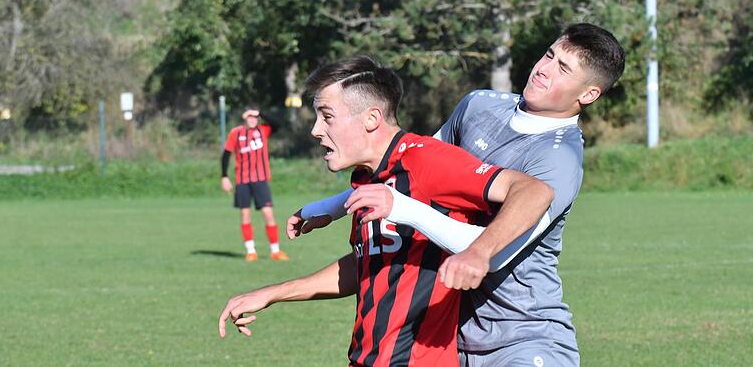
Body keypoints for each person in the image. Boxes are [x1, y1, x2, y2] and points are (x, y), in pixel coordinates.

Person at [289, 23, 626, 366]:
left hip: (523, 337)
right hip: (451, 339)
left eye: (563, 69)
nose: (543, 69)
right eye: (549, 55)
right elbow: (409, 166)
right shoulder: (479, 105)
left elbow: (493, 254)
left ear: (588, 95)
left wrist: (410, 213)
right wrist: (333, 207)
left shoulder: (558, 159)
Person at [218, 56, 554, 366]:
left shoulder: (425, 159)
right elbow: (368, 265)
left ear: (372, 118)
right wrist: (273, 293)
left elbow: (534, 191)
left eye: (327, 116)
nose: (316, 129)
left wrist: (480, 252)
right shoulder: (369, 178)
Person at [221, 105, 288, 262]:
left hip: (260, 180)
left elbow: (278, 124)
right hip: (242, 181)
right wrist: (224, 176)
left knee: (268, 213)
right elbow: (226, 155)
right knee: (245, 214)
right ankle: (251, 251)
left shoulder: (263, 130)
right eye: (249, 116)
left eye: (255, 117)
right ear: (244, 117)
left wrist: (261, 112)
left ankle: (275, 251)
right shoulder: (236, 133)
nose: (252, 119)